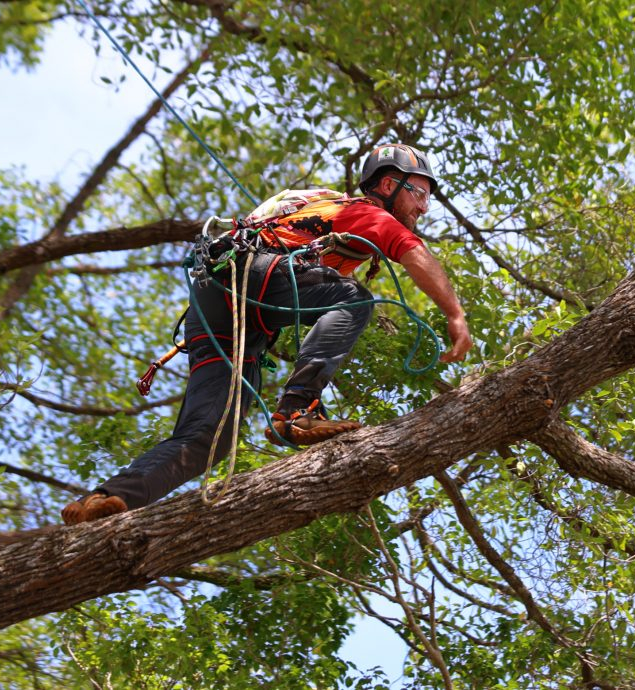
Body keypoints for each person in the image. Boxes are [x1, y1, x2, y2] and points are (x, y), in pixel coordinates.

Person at [62, 144, 472, 525]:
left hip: (217, 307)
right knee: (354, 300)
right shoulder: (365, 213)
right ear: (387, 185)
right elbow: (412, 250)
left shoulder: (320, 205)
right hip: (255, 278)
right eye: (419, 193)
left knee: (210, 437)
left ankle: (106, 500)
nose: (424, 206)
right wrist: (455, 314)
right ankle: (296, 410)